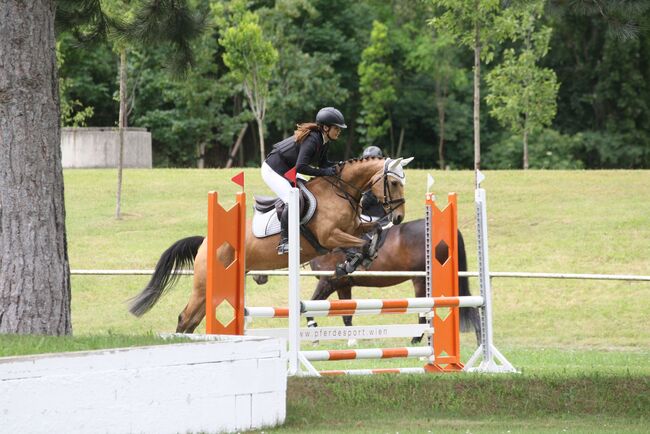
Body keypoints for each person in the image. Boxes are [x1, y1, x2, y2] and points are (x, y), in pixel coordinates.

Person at [262, 107, 347, 254]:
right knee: (293, 200)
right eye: (336, 128)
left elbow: (323, 164)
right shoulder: (312, 140)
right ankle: (284, 241)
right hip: (273, 169)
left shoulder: (324, 140)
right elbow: (301, 167)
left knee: (309, 195)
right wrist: (326, 172)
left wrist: (344, 165)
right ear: (326, 128)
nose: (339, 131)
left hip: (288, 169)